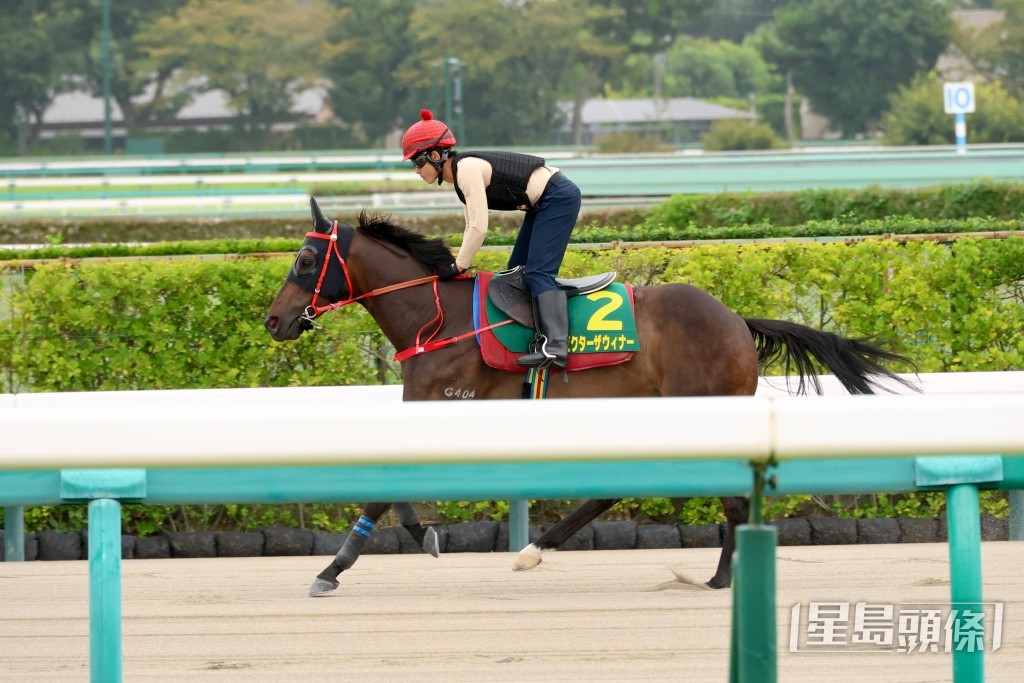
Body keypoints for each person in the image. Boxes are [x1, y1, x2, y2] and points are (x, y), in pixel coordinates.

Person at [400, 109, 582, 370]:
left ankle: (555, 347)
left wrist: (458, 266)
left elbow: (479, 228)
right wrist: (457, 262)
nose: (416, 171)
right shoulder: (460, 177)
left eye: (417, 162)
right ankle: (534, 338)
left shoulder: (466, 169)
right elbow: (469, 225)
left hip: (557, 197)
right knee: (516, 272)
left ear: (436, 156)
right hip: (543, 201)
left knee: (538, 273)